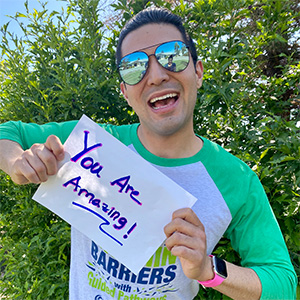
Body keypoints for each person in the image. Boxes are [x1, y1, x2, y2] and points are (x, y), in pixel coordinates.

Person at [0, 7, 297, 300]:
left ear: (198, 71)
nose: (155, 75)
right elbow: (7, 132)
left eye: (174, 55)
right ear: (125, 92)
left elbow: (282, 285)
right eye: (134, 66)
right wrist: (16, 162)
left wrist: (207, 268)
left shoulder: (237, 180)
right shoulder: (92, 143)